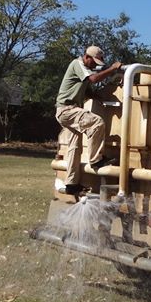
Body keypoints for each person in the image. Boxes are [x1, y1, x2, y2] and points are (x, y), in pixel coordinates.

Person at [55, 45, 123, 194]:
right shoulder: (77, 64)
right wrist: (112, 69)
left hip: (67, 111)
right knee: (97, 122)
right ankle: (96, 160)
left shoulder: (83, 74)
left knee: (74, 147)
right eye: (93, 63)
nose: (94, 66)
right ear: (86, 57)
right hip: (67, 110)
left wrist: (109, 93)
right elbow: (93, 79)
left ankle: (71, 184)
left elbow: (91, 92)